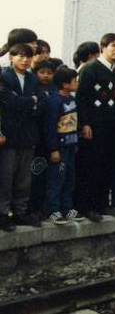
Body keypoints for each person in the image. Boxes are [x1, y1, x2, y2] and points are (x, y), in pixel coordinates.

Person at [75, 33, 115, 222]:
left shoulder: (114, 70)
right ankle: (86, 206)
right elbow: (81, 97)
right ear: (103, 47)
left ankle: (102, 203)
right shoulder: (90, 68)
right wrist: (84, 123)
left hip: (112, 124)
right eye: (113, 45)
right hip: (95, 125)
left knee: (108, 164)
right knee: (91, 165)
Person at [0, 43, 46, 230]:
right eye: (20, 56)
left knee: (23, 178)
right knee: (6, 176)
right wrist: (30, 101)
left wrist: (26, 102)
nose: (25, 60)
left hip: (28, 134)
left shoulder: (32, 79)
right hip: (9, 135)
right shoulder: (4, 76)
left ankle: (20, 212)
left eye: (28, 56)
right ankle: (3, 214)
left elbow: (42, 102)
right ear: (11, 58)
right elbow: (8, 102)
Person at [44, 67, 84, 225]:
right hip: (59, 148)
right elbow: (49, 127)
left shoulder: (72, 99)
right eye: (75, 81)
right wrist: (53, 149)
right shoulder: (54, 101)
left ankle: (67, 208)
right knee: (56, 179)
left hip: (70, 146)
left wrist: (75, 142)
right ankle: (53, 209)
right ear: (65, 84)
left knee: (69, 178)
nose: (77, 83)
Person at [28, 59, 56, 221]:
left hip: (51, 139)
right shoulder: (32, 90)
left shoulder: (54, 90)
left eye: (49, 73)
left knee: (47, 175)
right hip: (36, 138)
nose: (46, 76)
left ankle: (44, 207)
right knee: (34, 175)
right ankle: (32, 208)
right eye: (42, 72)